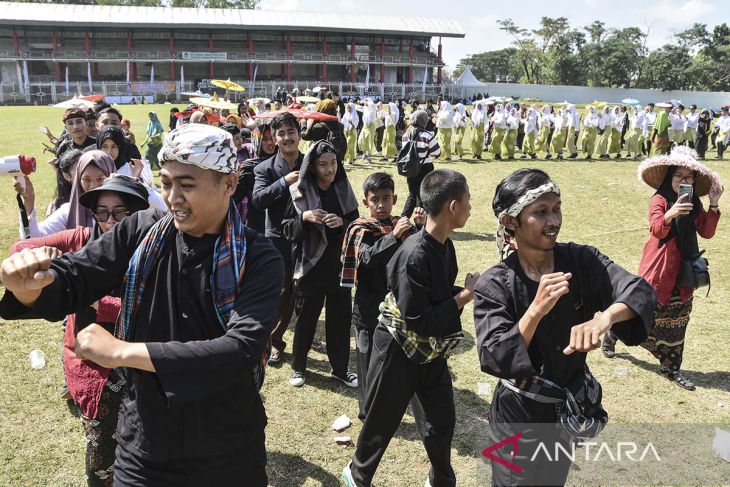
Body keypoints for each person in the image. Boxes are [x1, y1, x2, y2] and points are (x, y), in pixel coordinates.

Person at [0, 123, 283, 486]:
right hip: (145, 442)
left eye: (187, 184)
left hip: (226, 447)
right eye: (166, 183)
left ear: (228, 183)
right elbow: (80, 274)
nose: (172, 198)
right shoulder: (143, 231)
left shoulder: (259, 258)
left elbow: (239, 349)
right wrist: (29, 288)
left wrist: (122, 353)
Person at [474, 168, 655, 486]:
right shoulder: (493, 284)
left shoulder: (580, 260)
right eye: (540, 212)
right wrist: (535, 311)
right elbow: (494, 356)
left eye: (556, 208)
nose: (553, 220)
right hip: (517, 414)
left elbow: (638, 291)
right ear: (510, 222)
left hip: (564, 415)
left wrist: (604, 319)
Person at [8, 175, 150, 487]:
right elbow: (21, 247)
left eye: (120, 213)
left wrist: (104, 303)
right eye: (102, 212)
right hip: (92, 367)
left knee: (140, 441)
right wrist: (47, 259)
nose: (109, 221)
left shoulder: (151, 252)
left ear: (138, 215)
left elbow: (154, 307)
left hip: (138, 359)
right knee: (101, 445)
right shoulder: (82, 239)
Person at [343, 169, 477, 487]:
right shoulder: (415, 254)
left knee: (441, 420)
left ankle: (442, 479)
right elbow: (418, 319)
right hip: (399, 349)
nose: (471, 207)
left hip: (428, 348)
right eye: (468, 200)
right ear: (453, 207)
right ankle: (357, 474)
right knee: (382, 421)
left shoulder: (443, 244)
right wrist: (463, 298)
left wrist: (465, 292)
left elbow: (436, 293)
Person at [604, 147, 722, 391]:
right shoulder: (660, 199)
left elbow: (707, 232)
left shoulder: (695, 203)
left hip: (684, 271)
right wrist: (671, 213)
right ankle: (616, 331)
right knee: (645, 311)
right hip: (659, 268)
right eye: (679, 176)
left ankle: (672, 367)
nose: (683, 181)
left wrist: (713, 204)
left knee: (678, 318)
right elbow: (656, 229)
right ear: (670, 176)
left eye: (689, 177)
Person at [341, 172, 424, 419]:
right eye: (375, 199)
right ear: (365, 202)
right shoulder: (360, 228)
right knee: (367, 362)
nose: (380, 205)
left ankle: (389, 401)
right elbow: (366, 259)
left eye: (386, 198)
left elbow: (416, 253)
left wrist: (419, 228)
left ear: (395, 199)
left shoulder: (401, 225)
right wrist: (393, 236)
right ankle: (367, 412)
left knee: (392, 358)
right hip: (368, 309)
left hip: (396, 306)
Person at [282, 140, 360, 388]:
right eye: (323, 164)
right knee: (306, 320)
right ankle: (298, 367)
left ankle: (339, 369)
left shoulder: (343, 190)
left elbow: (357, 228)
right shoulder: (300, 192)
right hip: (311, 266)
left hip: (338, 265)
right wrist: (303, 218)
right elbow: (285, 229)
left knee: (340, 320)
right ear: (312, 167)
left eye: (334, 163)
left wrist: (343, 224)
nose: (330, 169)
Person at [252, 112, 304, 364]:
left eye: (290, 132)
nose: (286, 138)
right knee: (281, 292)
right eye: (281, 133)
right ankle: (274, 341)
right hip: (278, 239)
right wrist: (283, 181)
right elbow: (258, 199)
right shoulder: (265, 168)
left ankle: (303, 339)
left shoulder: (312, 163)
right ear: (274, 138)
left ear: (299, 134)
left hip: (309, 236)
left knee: (305, 291)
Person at [14, 150, 114, 238]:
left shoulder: (125, 210)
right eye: (86, 180)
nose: (94, 186)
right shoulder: (69, 211)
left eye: (101, 179)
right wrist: (29, 199)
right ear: (78, 181)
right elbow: (33, 237)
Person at [233, 123, 276, 233]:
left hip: (279, 225)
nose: (270, 143)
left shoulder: (283, 163)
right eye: (265, 139)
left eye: (272, 138)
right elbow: (235, 197)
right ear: (257, 141)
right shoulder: (249, 167)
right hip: (258, 224)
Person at [401, 110, 441, 218]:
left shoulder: (406, 135)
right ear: (425, 121)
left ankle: (403, 219)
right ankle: (421, 222)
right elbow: (437, 153)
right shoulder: (427, 136)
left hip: (410, 168)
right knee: (424, 194)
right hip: (425, 168)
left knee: (413, 194)